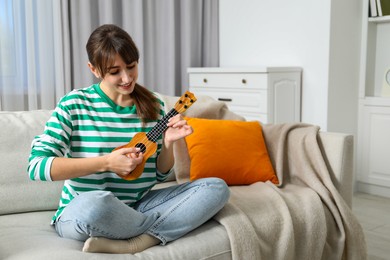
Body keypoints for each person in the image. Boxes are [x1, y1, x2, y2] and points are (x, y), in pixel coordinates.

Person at [28, 24, 230, 254]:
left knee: (216, 188)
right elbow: (36, 166)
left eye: (131, 67)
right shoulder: (74, 104)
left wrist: (168, 144)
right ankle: (161, 226)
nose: (126, 78)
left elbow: (160, 174)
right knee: (95, 205)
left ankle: (139, 240)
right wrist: (106, 162)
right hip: (85, 209)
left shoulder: (154, 105)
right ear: (94, 69)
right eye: (115, 72)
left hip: (138, 206)